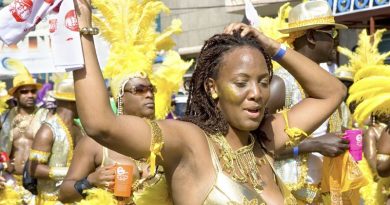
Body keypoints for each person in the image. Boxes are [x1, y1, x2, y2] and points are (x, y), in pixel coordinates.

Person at [72, 0, 346, 203]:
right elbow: (100, 124)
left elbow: (332, 92)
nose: (256, 93)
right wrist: (83, 30)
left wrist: (273, 46)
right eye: (241, 83)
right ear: (212, 88)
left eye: (263, 82)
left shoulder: (264, 139)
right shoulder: (191, 143)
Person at [265, 1, 350, 203]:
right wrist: (314, 144)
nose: (336, 42)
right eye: (331, 34)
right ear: (311, 36)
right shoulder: (280, 84)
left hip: (324, 196)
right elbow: (253, 147)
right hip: (289, 197)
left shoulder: (330, 84)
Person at [59, 75, 171, 205]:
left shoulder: (166, 138)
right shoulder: (96, 142)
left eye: (151, 89)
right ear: (121, 98)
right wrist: (90, 181)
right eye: (140, 90)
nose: (149, 95)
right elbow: (63, 194)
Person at [0, 59, 49, 204]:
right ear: (15, 95)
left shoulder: (46, 117)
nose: (30, 95)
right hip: (10, 181)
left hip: (37, 182)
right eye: (24, 92)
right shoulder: (5, 117)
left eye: (33, 91)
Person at [28, 74, 83, 205]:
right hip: (51, 200)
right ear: (72, 102)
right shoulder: (48, 130)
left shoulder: (79, 128)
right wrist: (72, 173)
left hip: (75, 198)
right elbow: (34, 169)